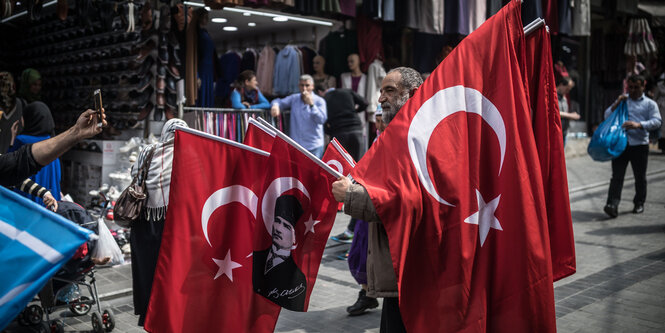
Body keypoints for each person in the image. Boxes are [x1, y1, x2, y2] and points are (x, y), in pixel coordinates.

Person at [331, 67, 423, 333]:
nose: (380, 98)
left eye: (390, 91)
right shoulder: (394, 136)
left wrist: (351, 195)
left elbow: (409, 201)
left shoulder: (417, 137)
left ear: (413, 94)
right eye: (381, 91)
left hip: (410, 268)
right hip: (396, 269)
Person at [129, 118, 188, 326]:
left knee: (148, 274)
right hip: (175, 223)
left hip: (145, 222)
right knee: (171, 276)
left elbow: (135, 176)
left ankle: (150, 318)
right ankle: (169, 319)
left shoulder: (148, 150)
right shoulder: (189, 153)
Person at [603, 75, 662, 218]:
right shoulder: (623, 100)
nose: (633, 90)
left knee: (639, 177)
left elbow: (657, 121)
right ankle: (612, 204)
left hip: (639, 145)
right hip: (621, 144)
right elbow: (607, 115)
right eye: (631, 87)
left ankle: (639, 203)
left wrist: (639, 125)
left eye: (637, 87)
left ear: (643, 86)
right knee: (617, 176)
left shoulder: (650, 104)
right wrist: (617, 102)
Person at [0, 108, 106, 187]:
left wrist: (77, 132)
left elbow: (16, 163)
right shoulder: (50, 140)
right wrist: (76, 132)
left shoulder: (22, 140)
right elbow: (12, 166)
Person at [253, 194, 308, 311]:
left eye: (287, 226)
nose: (278, 228)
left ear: (295, 236)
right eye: (277, 221)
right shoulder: (255, 257)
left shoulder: (297, 276)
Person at [8, 102, 62, 207]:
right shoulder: (52, 142)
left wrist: (12, 140)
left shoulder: (22, 141)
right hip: (51, 203)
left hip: (28, 202)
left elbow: (8, 169)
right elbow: (58, 177)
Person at [270, 75, 327, 158]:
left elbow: (321, 120)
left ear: (312, 87)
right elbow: (278, 101)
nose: (304, 88)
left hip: (314, 145)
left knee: (313, 171)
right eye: (302, 85)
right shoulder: (294, 98)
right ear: (299, 86)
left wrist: (312, 105)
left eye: (307, 85)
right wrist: (275, 106)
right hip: (297, 145)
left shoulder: (319, 101)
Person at [556, 76, 580, 146]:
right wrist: (570, 115)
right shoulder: (554, 96)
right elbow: (555, 112)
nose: (567, 92)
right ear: (561, 85)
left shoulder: (564, 98)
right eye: (567, 89)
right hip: (556, 132)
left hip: (564, 133)